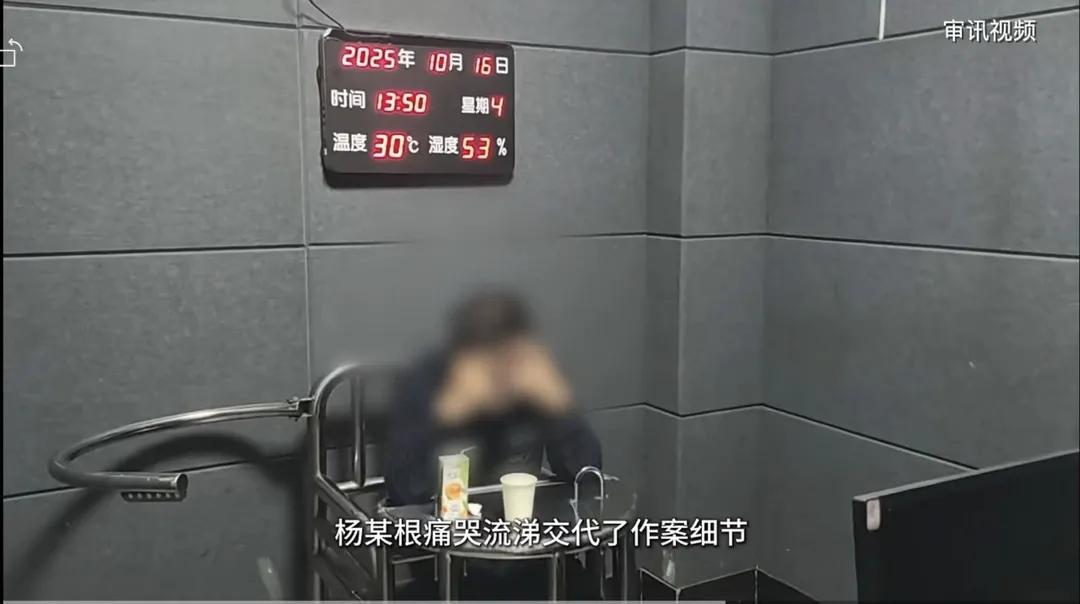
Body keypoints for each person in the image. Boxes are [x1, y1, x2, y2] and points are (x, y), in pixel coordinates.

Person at [384, 290, 603, 599]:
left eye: (511, 361)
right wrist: (447, 413)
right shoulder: (428, 381)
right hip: (446, 563)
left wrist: (558, 404)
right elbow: (405, 491)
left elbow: (587, 474)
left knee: (582, 588)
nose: (502, 377)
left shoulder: (530, 382)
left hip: (529, 552)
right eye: (491, 364)